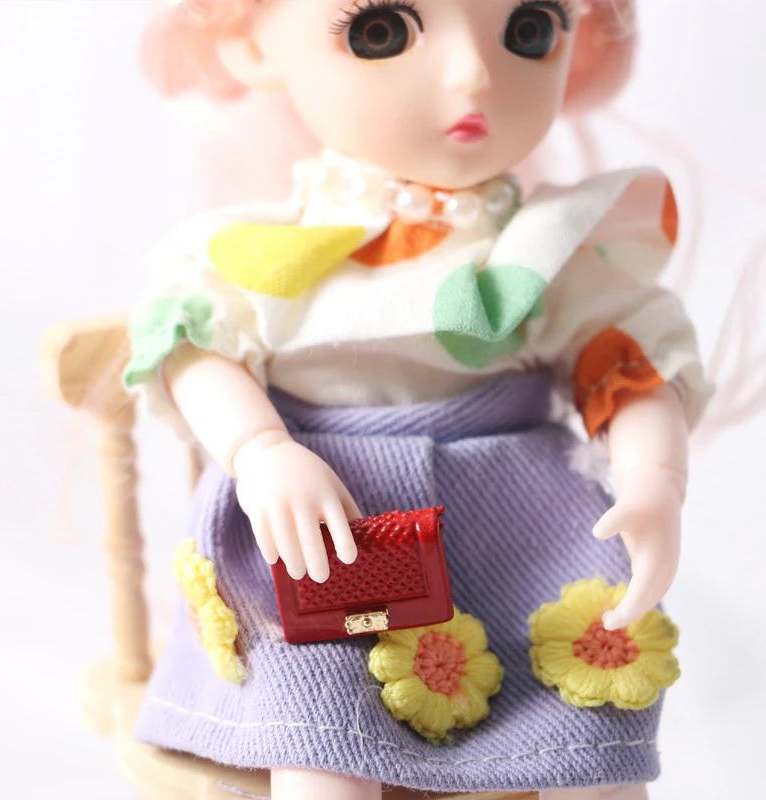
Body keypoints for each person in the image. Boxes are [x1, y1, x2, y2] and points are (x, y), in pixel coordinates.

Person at [124, 1, 712, 797]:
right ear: (250, 46)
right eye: (381, 32)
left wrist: (654, 480)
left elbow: (626, 365)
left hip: (521, 536)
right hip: (327, 534)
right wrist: (259, 450)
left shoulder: (550, 251)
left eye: (530, 29)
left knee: (585, 741)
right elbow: (192, 348)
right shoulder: (257, 254)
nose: (474, 75)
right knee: (322, 744)